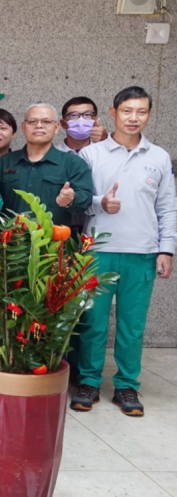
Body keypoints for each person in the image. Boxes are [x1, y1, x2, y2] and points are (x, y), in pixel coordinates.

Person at [72, 86, 176, 417]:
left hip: (142, 253)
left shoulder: (158, 157)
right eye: (127, 111)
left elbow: (167, 206)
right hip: (97, 252)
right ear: (113, 113)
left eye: (141, 112)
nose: (134, 118)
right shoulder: (91, 155)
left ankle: (127, 385)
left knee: (132, 325)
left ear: (149, 115)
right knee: (93, 322)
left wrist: (167, 249)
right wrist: (100, 202)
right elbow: (77, 200)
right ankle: (89, 381)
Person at [0, 103, 93, 229]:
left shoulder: (73, 163)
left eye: (46, 121)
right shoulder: (3, 162)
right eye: (32, 121)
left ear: (56, 127)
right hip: (9, 239)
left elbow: (86, 200)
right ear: (23, 127)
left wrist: (71, 199)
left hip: (54, 239)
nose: (39, 125)